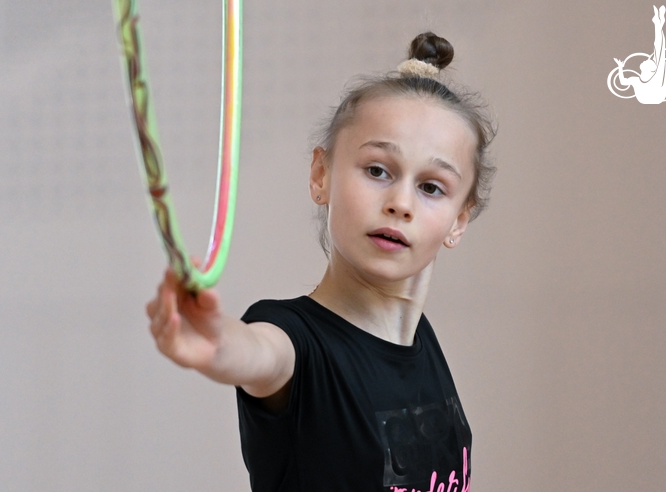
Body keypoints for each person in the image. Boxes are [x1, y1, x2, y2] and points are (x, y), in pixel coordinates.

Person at [145, 32, 496, 492]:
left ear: (459, 221)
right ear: (321, 174)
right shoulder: (295, 340)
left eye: (431, 187)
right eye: (377, 170)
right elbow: (256, 353)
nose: (400, 202)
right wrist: (218, 344)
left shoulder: (421, 342)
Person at [614, 5, 666, 104]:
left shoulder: (654, 78)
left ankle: (658, 24)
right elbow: (623, 82)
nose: (646, 59)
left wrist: (620, 67)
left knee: (659, 51)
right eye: (649, 60)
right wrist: (620, 67)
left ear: (651, 69)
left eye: (649, 61)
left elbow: (659, 50)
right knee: (659, 52)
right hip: (651, 97)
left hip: (654, 97)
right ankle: (658, 24)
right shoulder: (637, 80)